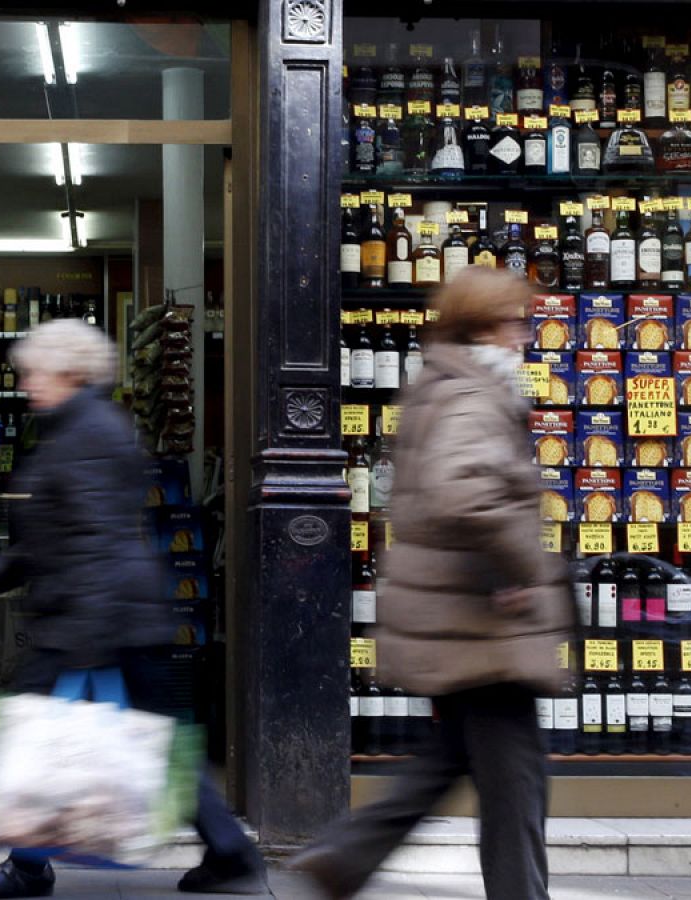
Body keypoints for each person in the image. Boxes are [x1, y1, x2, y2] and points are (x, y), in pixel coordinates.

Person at [292, 268, 575, 900]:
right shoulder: (474, 395)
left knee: (448, 762)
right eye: (514, 323)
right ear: (485, 327)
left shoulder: (441, 385)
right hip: (481, 624)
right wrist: (521, 567)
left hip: (457, 624)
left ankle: (346, 856)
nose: (524, 337)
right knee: (517, 787)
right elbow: (462, 494)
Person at [0, 319, 266, 899]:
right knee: (154, 739)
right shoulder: (79, 428)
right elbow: (59, 530)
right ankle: (230, 853)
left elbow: (95, 538)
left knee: (37, 735)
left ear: (71, 372)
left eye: (35, 372)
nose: (26, 383)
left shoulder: (86, 434)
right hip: (113, 610)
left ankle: (27, 867)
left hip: (94, 613)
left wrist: (87, 634)